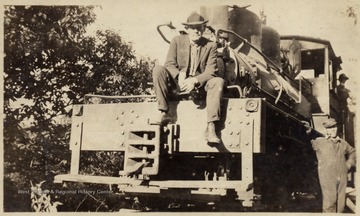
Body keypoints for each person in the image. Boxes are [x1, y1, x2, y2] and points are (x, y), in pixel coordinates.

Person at [152, 12, 224, 143]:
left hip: (200, 87)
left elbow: (211, 71)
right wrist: (178, 75)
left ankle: (211, 126)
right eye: (193, 28)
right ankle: (163, 112)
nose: (197, 31)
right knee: (158, 69)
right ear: (187, 29)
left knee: (218, 81)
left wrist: (195, 80)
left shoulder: (211, 45)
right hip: (179, 83)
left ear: (204, 28)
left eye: (200, 27)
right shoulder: (177, 41)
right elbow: (169, 64)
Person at [304, 118, 356, 213]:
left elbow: (353, 152)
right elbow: (308, 140)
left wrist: (348, 164)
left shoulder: (343, 143)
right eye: (329, 128)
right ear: (326, 130)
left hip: (342, 176)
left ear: (337, 128)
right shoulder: (320, 142)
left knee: (340, 205)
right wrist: (308, 130)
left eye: (334, 127)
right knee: (329, 204)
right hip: (327, 177)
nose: (332, 130)